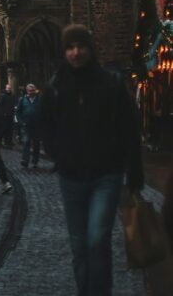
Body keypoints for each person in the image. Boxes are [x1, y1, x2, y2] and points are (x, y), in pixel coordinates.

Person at [42, 24, 144, 296]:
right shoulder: (55, 86)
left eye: (81, 46)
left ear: (90, 49)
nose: (76, 53)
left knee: (97, 239)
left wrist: (134, 172)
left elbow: (129, 129)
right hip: (71, 176)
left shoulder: (110, 83)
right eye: (70, 47)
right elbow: (42, 125)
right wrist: (57, 151)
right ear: (64, 52)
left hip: (106, 174)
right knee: (79, 244)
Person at [17, 83, 42, 168]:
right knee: (26, 142)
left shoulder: (39, 99)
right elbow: (18, 112)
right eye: (30, 91)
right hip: (26, 125)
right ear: (27, 91)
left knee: (36, 143)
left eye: (33, 90)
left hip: (37, 125)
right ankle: (25, 160)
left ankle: (35, 160)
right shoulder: (22, 99)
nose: (31, 92)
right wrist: (21, 122)